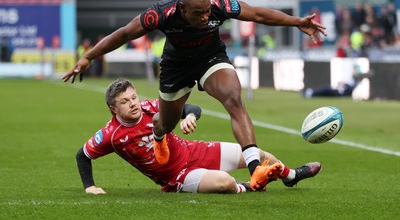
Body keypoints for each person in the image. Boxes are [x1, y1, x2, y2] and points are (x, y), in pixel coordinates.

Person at [64, 0, 326, 191]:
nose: (205, 17)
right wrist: (89, 56)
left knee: (233, 98)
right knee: (165, 124)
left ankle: (256, 167)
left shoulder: (219, 4)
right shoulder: (161, 13)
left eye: (207, 12)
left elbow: (257, 13)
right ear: (182, 9)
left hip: (210, 58)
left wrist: (297, 21)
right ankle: (158, 136)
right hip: (176, 68)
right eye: (198, 13)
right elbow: (123, 33)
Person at [76, 78, 321, 194]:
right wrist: (90, 187)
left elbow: (190, 108)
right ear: (113, 109)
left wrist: (189, 116)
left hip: (193, 150)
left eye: (133, 97)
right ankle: (249, 187)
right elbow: (83, 155)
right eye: (125, 102)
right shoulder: (112, 135)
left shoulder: (151, 106)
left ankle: (290, 176)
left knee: (255, 154)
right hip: (177, 175)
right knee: (224, 182)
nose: (133, 104)